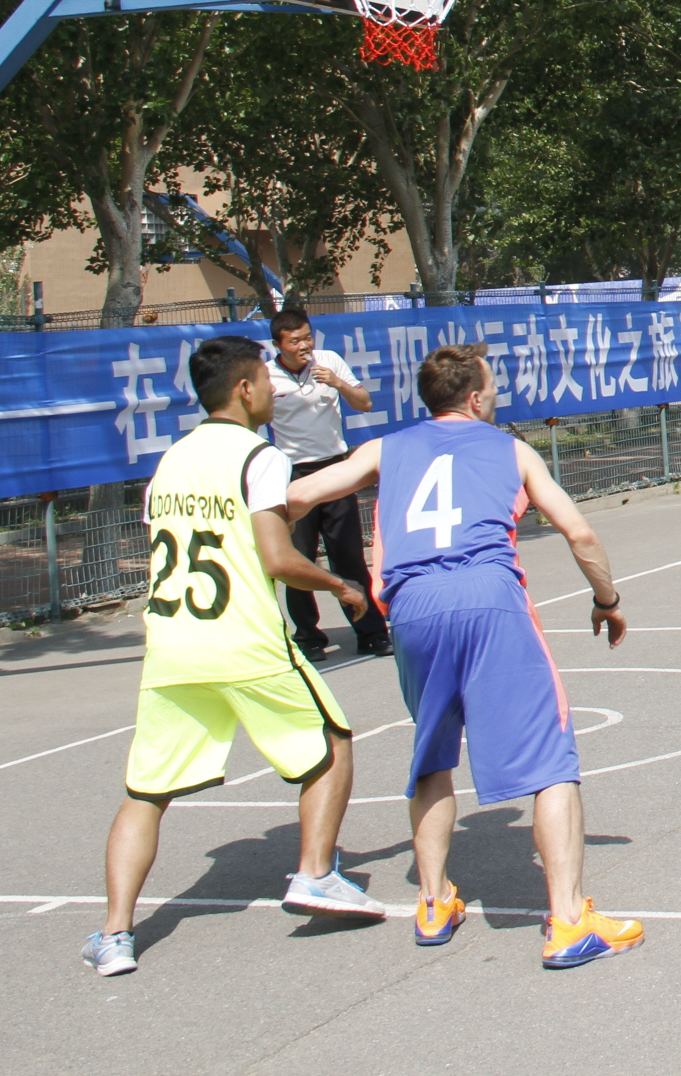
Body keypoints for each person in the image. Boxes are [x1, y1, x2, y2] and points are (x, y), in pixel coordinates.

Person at [288, 344, 643, 968]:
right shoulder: (511, 450)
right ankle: (568, 921)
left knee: (432, 754)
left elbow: (298, 495)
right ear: (475, 398)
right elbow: (579, 531)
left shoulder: (384, 449)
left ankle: (433, 902)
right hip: (488, 598)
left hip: (413, 607)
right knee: (550, 757)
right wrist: (606, 598)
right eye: (493, 388)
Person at [85, 336, 384, 978]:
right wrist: (340, 586)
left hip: (172, 646)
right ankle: (315, 874)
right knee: (332, 744)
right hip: (244, 640)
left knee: (146, 793)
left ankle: (114, 934)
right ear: (245, 390)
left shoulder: (171, 461)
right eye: (266, 382)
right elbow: (277, 557)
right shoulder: (260, 457)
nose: (274, 390)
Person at [261, 307, 389, 660]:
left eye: (307, 337)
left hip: (335, 469)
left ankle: (371, 632)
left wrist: (338, 383)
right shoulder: (267, 376)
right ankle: (308, 638)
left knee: (348, 556)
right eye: (294, 341)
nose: (304, 346)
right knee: (298, 558)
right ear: (278, 345)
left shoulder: (329, 360)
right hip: (292, 474)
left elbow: (364, 403)